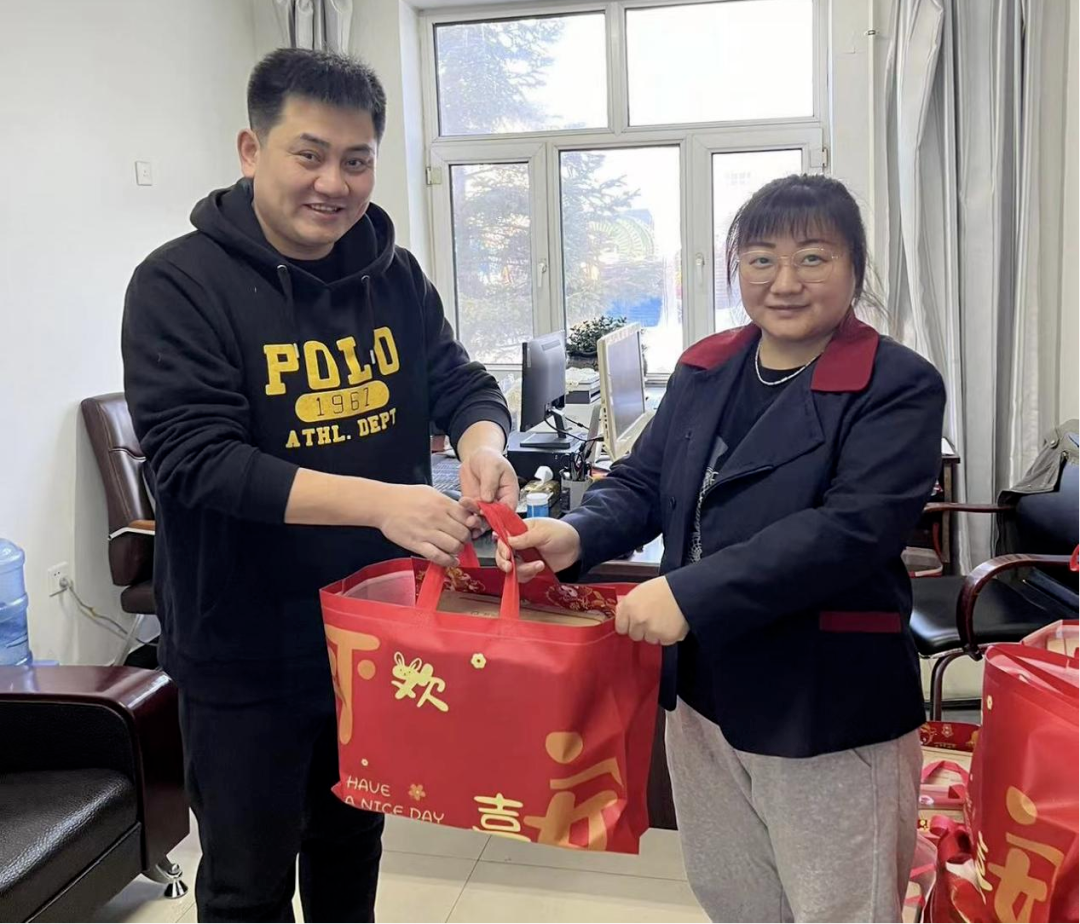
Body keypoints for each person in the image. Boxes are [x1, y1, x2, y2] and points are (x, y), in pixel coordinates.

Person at [122, 48, 516, 924]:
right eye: (309, 154)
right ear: (251, 149)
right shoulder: (178, 284)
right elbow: (196, 458)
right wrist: (383, 502)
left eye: (356, 159)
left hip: (372, 631)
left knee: (350, 847)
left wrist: (484, 441)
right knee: (247, 884)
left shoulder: (393, 274)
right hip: (243, 646)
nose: (333, 183)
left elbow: (460, 382)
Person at [499, 175, 946, 923]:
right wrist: (576, 532)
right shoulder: (707, 368)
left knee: (841, 907)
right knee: (736, 899)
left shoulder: (895, 385)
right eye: (761, 259)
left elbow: (850, 530)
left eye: (813, 258)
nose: (784, 282)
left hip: (823, 700)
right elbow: (644, 480)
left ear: (855, 267)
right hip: (704, 695)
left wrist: (689, 593)